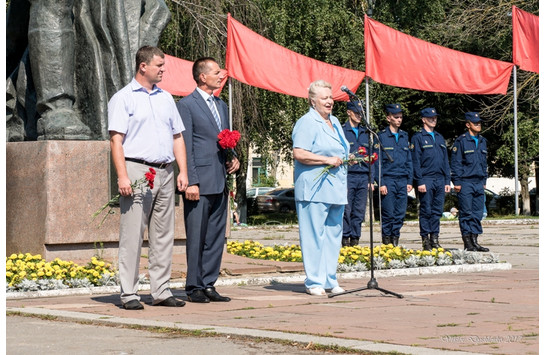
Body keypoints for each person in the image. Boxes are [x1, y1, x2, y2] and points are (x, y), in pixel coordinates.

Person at [108, 45, 189, 310]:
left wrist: (183, 171)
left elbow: (177, 136)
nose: (164, 69)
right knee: (133, 233)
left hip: (166, 170)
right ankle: (129, 293)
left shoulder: (166, 98)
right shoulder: (123, 98)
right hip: (137, 170)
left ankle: (161, 290)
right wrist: (122, 176)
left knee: (164, 234)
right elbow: (116, 140)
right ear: (143, 66)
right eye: (159, 65)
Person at [176, 57, 240, 303]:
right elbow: (186, 144)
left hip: (219, 180)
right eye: (216, 72)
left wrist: (233, 157)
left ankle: (209, 284)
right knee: (197, 236)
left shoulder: (221, 105)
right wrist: (191, 180)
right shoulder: (187, 105)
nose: (221, 75)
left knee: (215, 236)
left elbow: (223, 139)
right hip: (199, 183)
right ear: (202, 76)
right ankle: (193, 286)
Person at [292, 80, 349, 296]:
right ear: (312, 101)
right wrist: (326, 160)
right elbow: (300, 153)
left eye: (331, 97)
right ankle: (314, 280)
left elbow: (340, 151)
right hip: (314, 188)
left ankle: (329, 279)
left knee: (334, 234)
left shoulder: (334, 121)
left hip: (335, 187)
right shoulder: (307, 122)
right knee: (314, 234)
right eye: (324, 98)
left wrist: (349, 158)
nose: (329, 101)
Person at [411, 107, 451, 251]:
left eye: (435, 117)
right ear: (423, 120)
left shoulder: (439, 137)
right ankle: (425, 239)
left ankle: (435, 238)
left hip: (440, 179)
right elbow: (415, 161)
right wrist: (419, 181)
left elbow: (445, 161)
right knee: (426, 210)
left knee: (436, 211)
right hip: (426, 179)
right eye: (430, 118)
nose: (433, 120)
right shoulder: (418, 137)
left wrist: (447, 181)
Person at [450, 112, 490, 252]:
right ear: (468, 125)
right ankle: (467, 242)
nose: (478, 125)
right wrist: (457, 181)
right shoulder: (461, 141)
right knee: (466, 213)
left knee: (478, 213)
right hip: (465, 182)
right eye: (475, 123)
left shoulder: (483, 140)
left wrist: (484, 179)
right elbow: (456, 163)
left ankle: (475, 240)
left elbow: (484, 163)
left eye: (479, 122)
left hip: (478, 182)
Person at [376, 104, 413, 246]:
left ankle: (395, 240)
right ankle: (387, 241)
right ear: (388, 118)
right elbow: (377, 162)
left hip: (402, 179)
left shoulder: (404, 136)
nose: (399, 120)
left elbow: (409, 160)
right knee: (388, 213)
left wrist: (410, 180)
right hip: (388, 179)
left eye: (401, 117)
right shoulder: (381, 137)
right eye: (396, 117)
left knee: (400, 213)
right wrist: (381, 182)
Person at [341, 101, 371, 247]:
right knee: (347, 209)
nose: (359, 115)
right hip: (348, 175)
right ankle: (345, 238)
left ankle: (355, 239)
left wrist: (372, 179)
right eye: (356, 112)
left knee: (359, 210)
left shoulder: (366, 133)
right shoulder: (341, 131)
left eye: (361, 113)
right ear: (349, 112)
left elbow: (373, 157)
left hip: (363, 175)